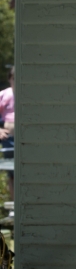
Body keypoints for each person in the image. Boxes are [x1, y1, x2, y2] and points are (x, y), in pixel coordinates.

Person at [0, 66, 13, 198]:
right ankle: (15, 203)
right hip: (9, 138)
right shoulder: (4, 95)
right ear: (9, 79)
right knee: (12, 172)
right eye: (14, 79)